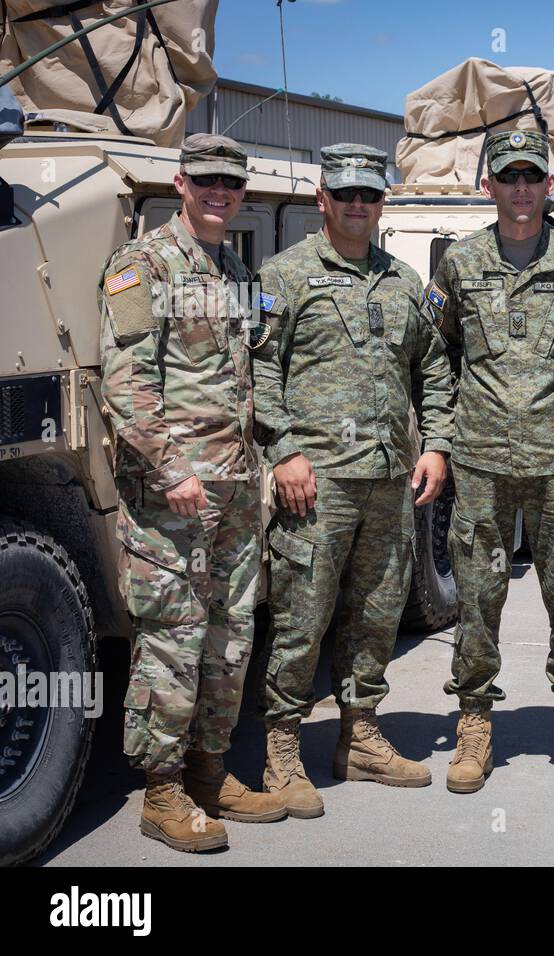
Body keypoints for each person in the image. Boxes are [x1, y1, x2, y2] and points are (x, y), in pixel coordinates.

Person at [252, 143, 454, 817]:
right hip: (316, 485)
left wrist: (437, 446)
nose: (358, 204)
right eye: (346, 194)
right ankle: (282, 751)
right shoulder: (283, 275)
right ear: (323, 199)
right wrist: (283, 452)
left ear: (381, 202)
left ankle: (360, 736)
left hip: (390, 479)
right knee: (301, 616)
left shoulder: (401, 282)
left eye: (370, 194)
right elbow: (258, 372)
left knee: (375, 613)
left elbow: (433, 370)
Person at [100, 133, 287, 853]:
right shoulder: (142, 265)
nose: (219, 191)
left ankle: (210, 773)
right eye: (206, 179)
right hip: (173, 495)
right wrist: (171, 469)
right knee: (172, 639)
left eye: (231, 183)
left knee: (231, 635)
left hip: (237, 490)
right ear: (179, 182)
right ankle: (162, 791)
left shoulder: (234, 264)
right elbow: (126, 382)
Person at [423, 129, 554, 794]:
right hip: (481, 462)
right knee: (477, 596)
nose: (523, 188)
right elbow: (436, 356)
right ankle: (474, 723)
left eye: (534, 176)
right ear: (490, 187)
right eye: (510, 176)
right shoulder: (459, 263)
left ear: (549, 184)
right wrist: (440, 440)